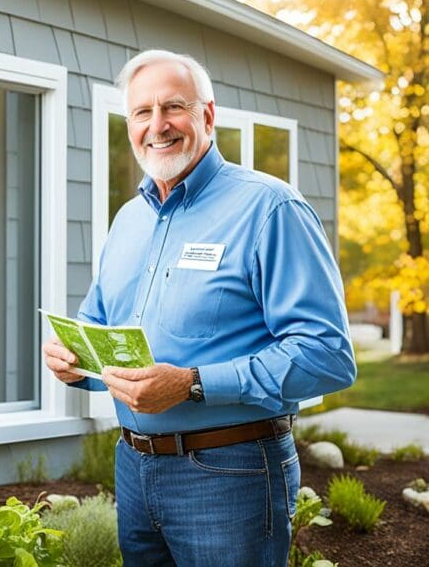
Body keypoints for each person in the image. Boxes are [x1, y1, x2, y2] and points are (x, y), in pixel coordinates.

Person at [43, 50, 356, 567]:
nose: (157, 125)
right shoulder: (128, 220)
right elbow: (100, 325)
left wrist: (191, 382)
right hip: (135, 469)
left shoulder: (269, 208)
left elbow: (327, 355)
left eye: (173, 108)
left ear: (207, 116)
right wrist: (74, 363)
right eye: (142, 112)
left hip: (231, 473)